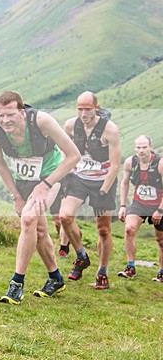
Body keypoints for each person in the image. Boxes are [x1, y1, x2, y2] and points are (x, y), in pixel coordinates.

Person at [0, 91, 80, 304]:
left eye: (10, 115)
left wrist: (45, 185)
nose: (5, 120)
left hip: (53, 176)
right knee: (38, 229)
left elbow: (74, 155)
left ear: (22, 111)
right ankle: (55, 278)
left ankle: (16, 283)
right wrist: (16, 196)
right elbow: (0, 163)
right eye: (0, 115)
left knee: (28, 218)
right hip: (24, 181)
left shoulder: (41, 121)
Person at [59, 92, 121, 289]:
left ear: (96, 108)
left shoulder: (109, 130)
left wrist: (103, 191)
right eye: (80, 109)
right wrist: (65, 171)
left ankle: (102, 272)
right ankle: (81, 256)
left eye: (87, 109)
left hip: (102, 181)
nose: (83, 113)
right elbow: (63, 148)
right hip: (78, 178)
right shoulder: (70, 125)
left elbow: (115, 165)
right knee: (65, 217)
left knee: (103, 229)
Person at [117, 135, 163, 282]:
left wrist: (160, 210)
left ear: (151, 147)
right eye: (138, 147)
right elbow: (124, 183)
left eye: (144, 147)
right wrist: (123, 206)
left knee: (161, 240)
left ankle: (161, 271)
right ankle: (130, 267)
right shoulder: (131, 162)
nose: (141, 150)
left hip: (159, 204)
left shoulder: (160, 163)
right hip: (140, 203)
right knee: (129, 229)